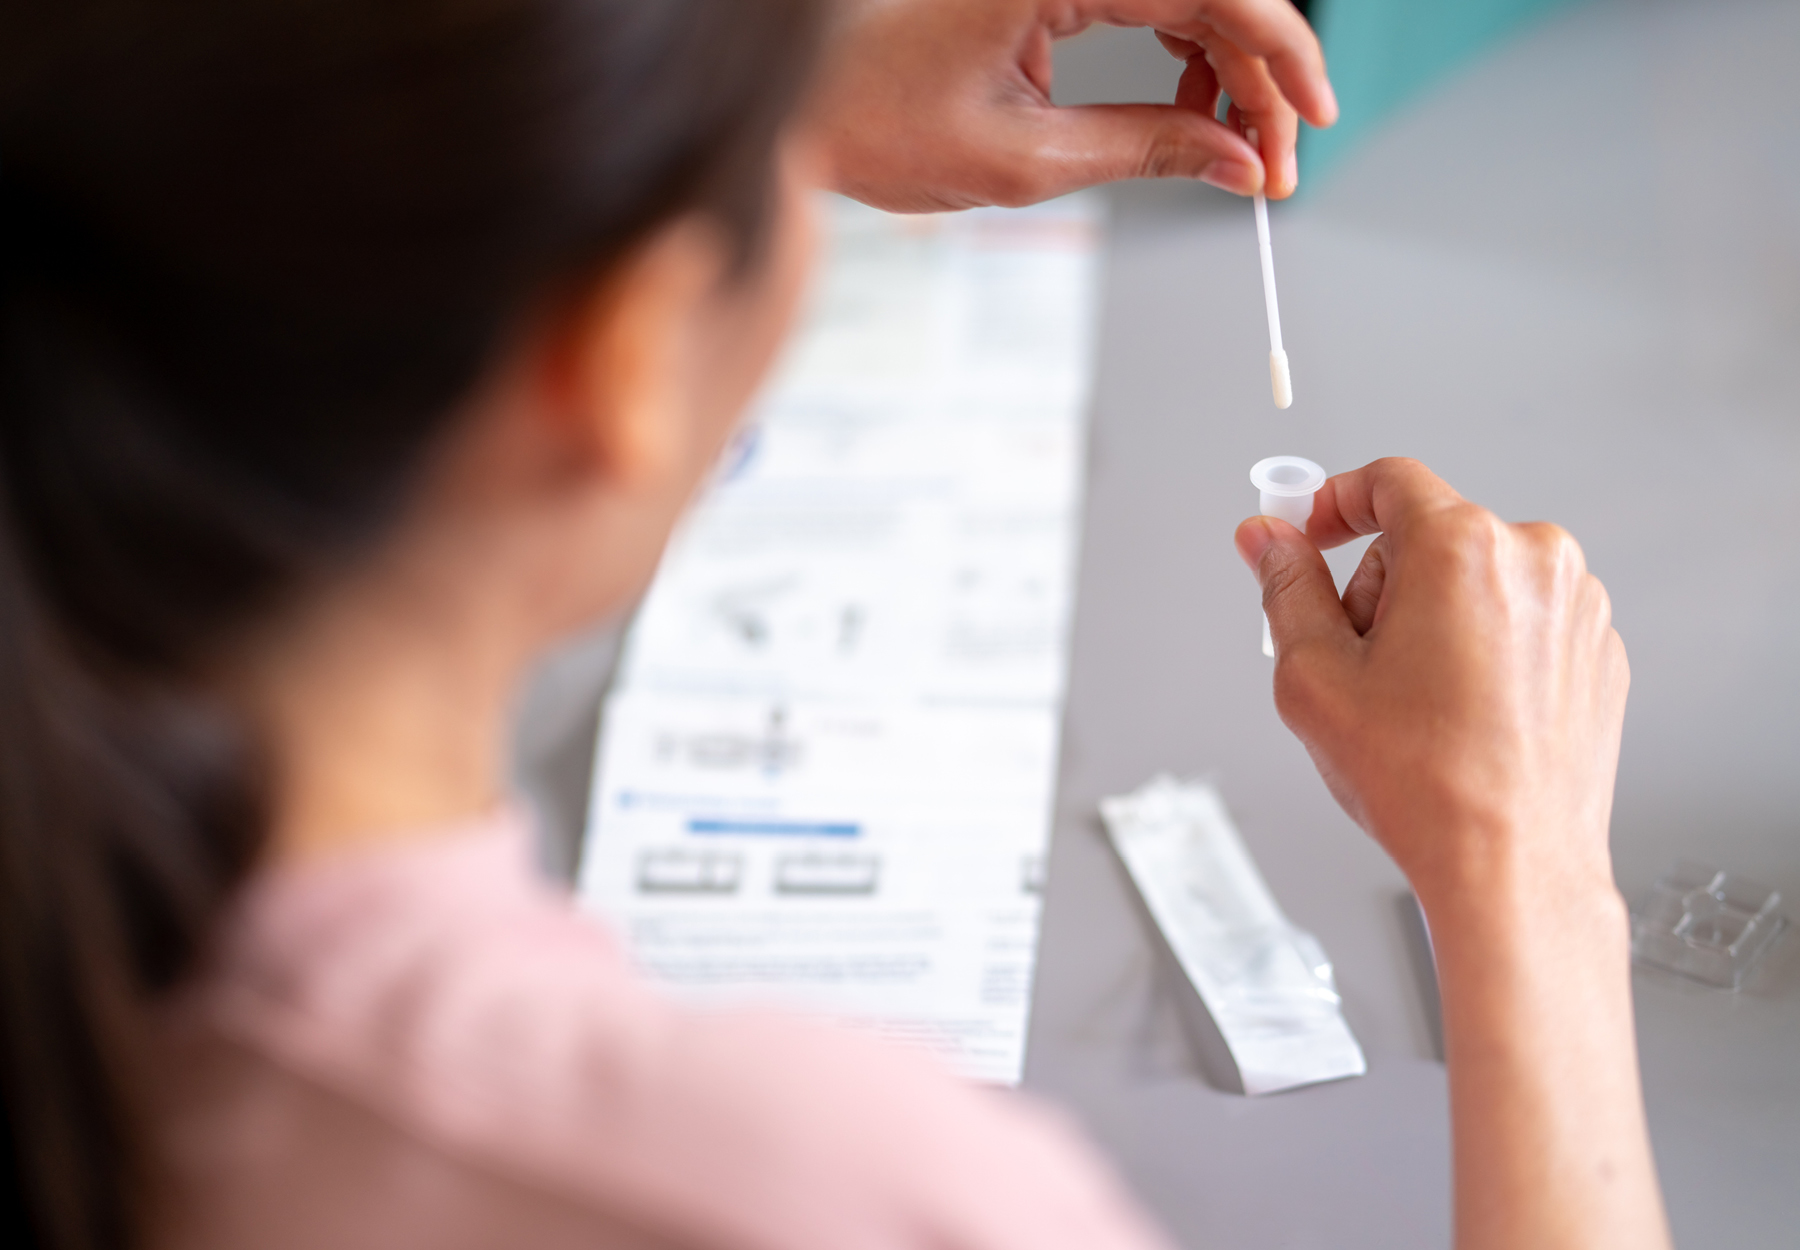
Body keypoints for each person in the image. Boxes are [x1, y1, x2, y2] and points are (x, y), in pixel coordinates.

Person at [0, 1, 1669, 1248]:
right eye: (775, 179)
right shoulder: (829, 1192)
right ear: (626, 358)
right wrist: (1524, 870)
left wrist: (749, 90)